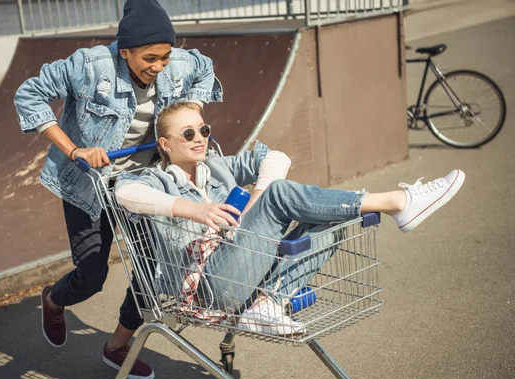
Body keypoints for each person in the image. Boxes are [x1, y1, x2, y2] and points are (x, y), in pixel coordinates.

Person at [114, 101, 466, 336]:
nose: (200, 139)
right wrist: (195, 209)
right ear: (164, 144)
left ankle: (267, 304)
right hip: (209, 286)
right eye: (187, 134)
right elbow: (124, 193)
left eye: (204, 130)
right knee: (281, 195)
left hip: (247, 268)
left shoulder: (217, 167)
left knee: (330, 222)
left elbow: (275, 157)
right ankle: (396, 201)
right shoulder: (156, 180)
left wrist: (254, 200)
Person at [13, 0, 222, 379]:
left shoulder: (177, 63)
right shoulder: (90, 66)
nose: (158, 67)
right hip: (88, 183)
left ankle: (118, 347)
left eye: (164, 56)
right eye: (149, 58)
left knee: (151, 268)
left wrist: (190, 108)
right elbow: (29, 94)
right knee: (91, 278)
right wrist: (74, 150)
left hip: (143, 182)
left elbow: (204, 69)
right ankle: (54, 299)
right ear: (124, 50)